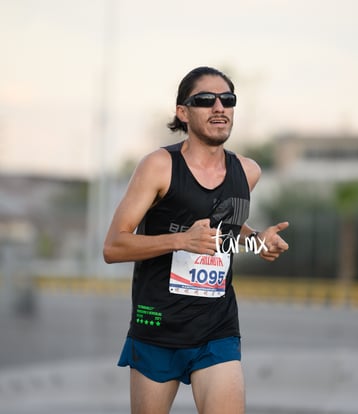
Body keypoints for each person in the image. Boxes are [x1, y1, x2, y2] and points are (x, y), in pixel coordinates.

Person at [103, 66, 289, 414]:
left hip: (216, 330)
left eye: (227, 100)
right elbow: (114, 246)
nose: (219, 107)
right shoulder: (159, 166)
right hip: (157, 327)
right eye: (206, 100)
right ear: (183, 112)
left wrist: (258, 241)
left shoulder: (247, 172)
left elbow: (224, 232)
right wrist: (179, 241)